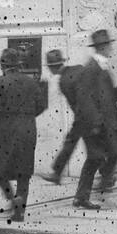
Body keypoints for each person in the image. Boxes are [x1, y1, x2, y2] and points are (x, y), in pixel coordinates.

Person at [73, 28, 117, 210]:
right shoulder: (91, 68)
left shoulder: (102, 66)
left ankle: (102, 183)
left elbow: (103, 95)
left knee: (114, 152)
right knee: (95, 158)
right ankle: (82, 196)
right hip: (99, 123)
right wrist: (96, 122)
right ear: (103, 47)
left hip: (108, 121)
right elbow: (85, 98)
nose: (111, 48)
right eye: (108, 45)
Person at [0, 47, 46, 221]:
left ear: (3, 66)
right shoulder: (31, 82)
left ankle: (12, 197)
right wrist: (27, 116)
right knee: (24, 171)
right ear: (18, 66)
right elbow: (42, 104)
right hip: (28, 129)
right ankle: (20, 210)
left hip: (6, 129)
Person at [39, 48, 84, 185]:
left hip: (83, 116)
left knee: (73, 144)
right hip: (88, 114)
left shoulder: (63, 81)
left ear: (52, 68)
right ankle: (56, 174)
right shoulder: (77, 68)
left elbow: (75, 102)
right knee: (86, 145)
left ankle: (56, 174)